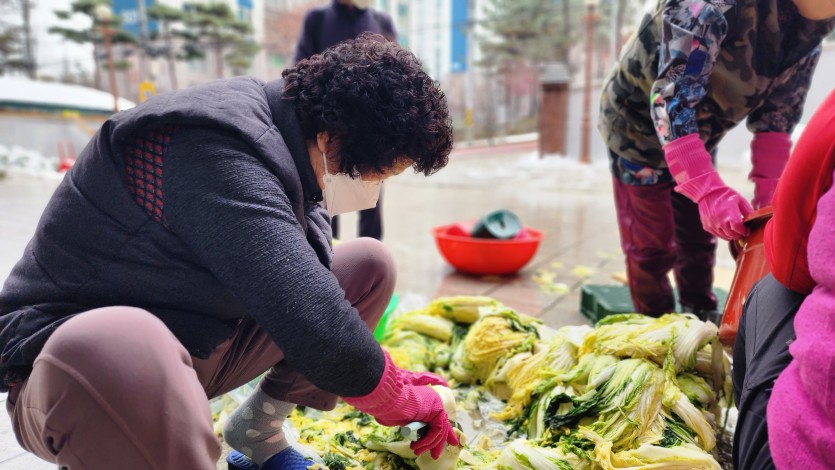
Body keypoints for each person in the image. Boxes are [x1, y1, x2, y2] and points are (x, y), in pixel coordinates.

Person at [0, 33, 458, 470]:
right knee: (120, 342)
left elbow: (312, 290)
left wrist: (389, 375)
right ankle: (129, 445)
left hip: (190, 346)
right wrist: (399, 398)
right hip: (76, 376)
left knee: (366, 268)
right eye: (376, 175)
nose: (372, 192)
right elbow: (309, 315)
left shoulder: (291, 148)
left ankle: (259, 432)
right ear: (331, 139)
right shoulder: (211, 145)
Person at [598, 0, 835, 318]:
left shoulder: (813, 29)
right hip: (637, 129)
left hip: (698, 132)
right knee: (652, 247)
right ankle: (653, 326)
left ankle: (700, 316)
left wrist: (770, 203)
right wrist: (706, 189)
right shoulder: (712, 4)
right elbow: (672, 98)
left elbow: (776, 119)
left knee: (698, 242)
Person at [732, 79, 835, 469]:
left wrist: (769, 195)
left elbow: (790, 259)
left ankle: (749, 421)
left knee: (773, 288)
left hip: (809, 454)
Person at [293, 0, 398, 241]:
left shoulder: (382, 22)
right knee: (326, 207)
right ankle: (328, 264)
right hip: (328, 132)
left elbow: (396, 74)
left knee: (371, 205)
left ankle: (370, 261)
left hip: (372, 133)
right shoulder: (317, 20)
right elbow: (300, 71)